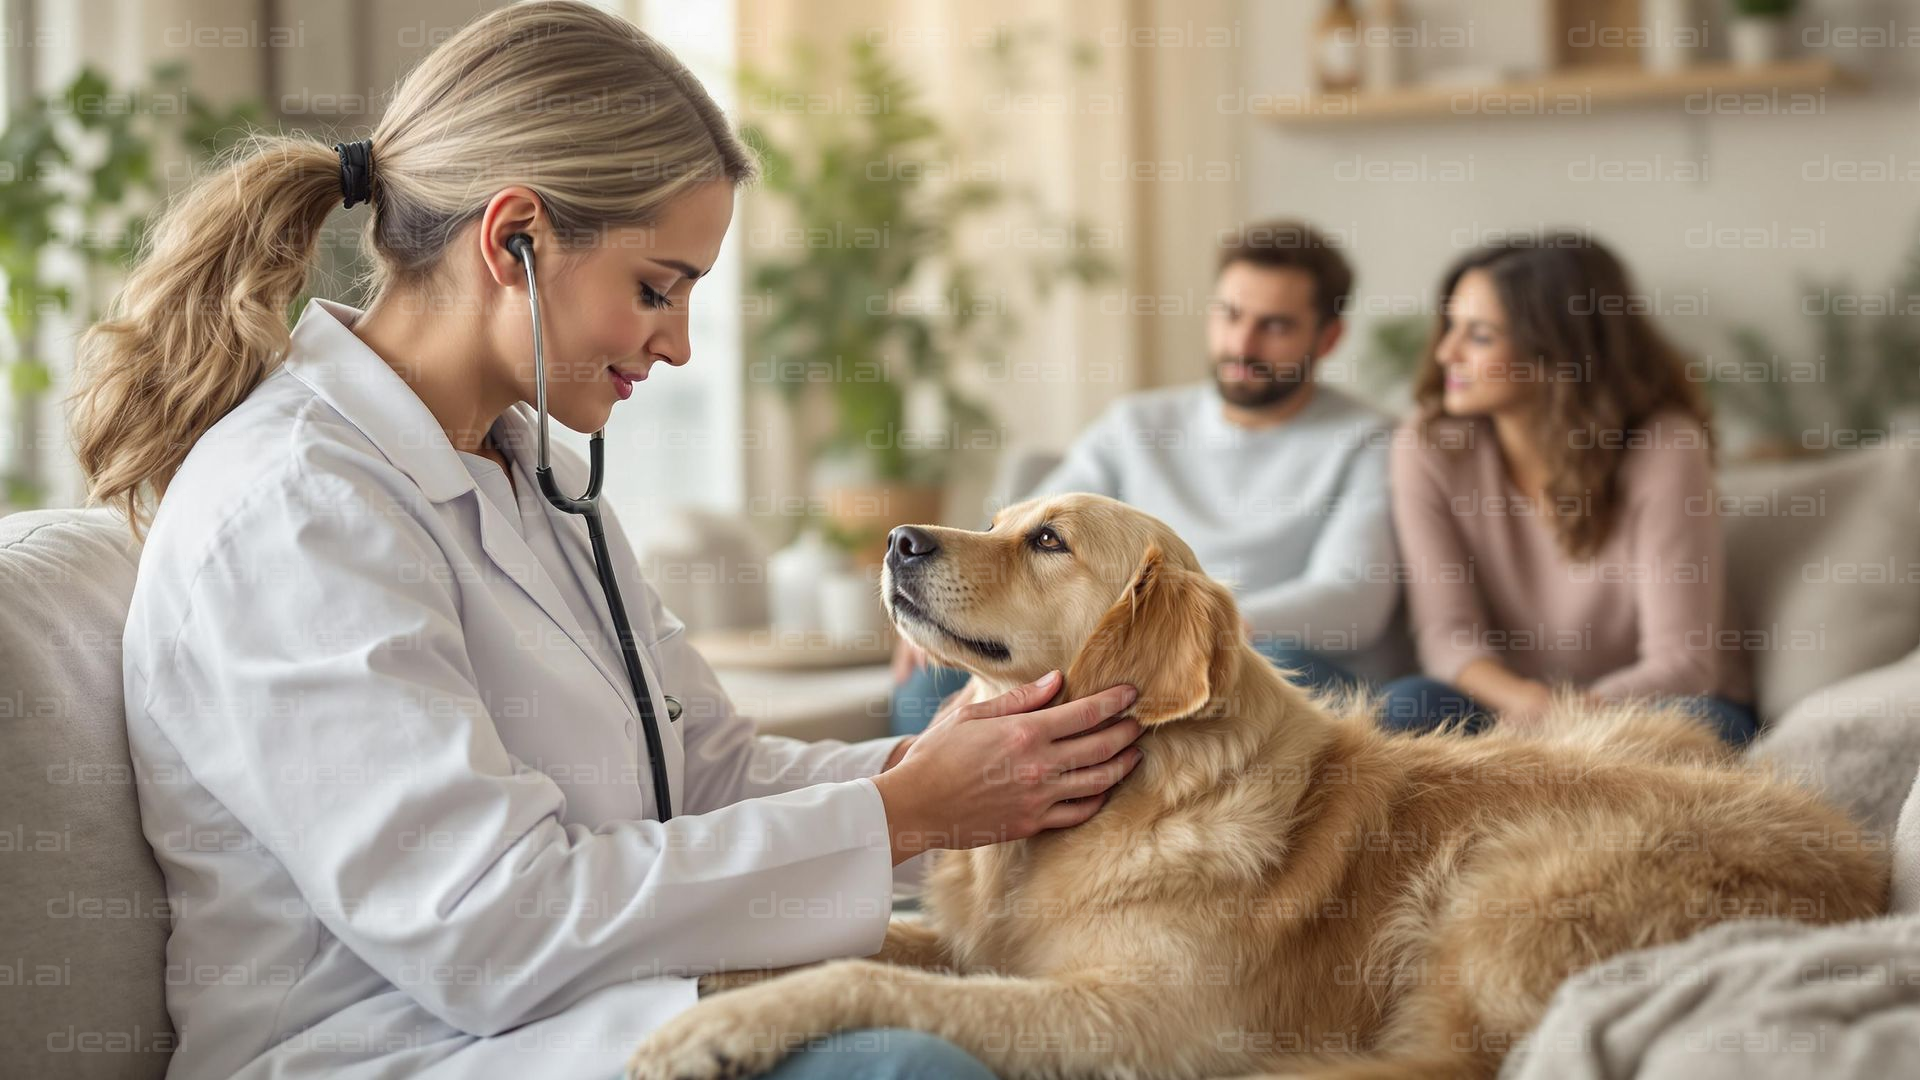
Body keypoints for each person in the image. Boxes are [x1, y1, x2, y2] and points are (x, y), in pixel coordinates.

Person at [66, 4, 1144, 1077]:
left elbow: (706, 771)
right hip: (404, 1052)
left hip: (596, 1015)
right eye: (655, 290)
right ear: (514, 239)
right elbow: (484, 927)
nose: (675, 344)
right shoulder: (294, 510)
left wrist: (940, 767)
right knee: (921, 1069)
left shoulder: (529, 468)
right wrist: (902, 814)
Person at [891, 220, 1402, 735]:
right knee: (927, 686)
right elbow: (1024, 528)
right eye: (1230, 315)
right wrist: (945, 600)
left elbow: (1354, 596)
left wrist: (1185, 634)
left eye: (1275, 326)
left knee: (1277, 658)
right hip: (1129, 650)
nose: (1242, 342)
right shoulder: (1135, 426)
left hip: (1267, 655)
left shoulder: (1370, 441)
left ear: (1329, 337)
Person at [1380, 233, 1756, 745]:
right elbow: (1447, 639)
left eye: (1480, 336)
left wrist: (1569, 723)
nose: (1447, 352)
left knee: (1697, 730)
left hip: (1650, 709)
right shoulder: (1428, 447)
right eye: (1450, 326)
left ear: (1557, 352)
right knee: (1410, 704)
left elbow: (1684, 664)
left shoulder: (1666, 446)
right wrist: (1532, 708)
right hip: (1511, 708)